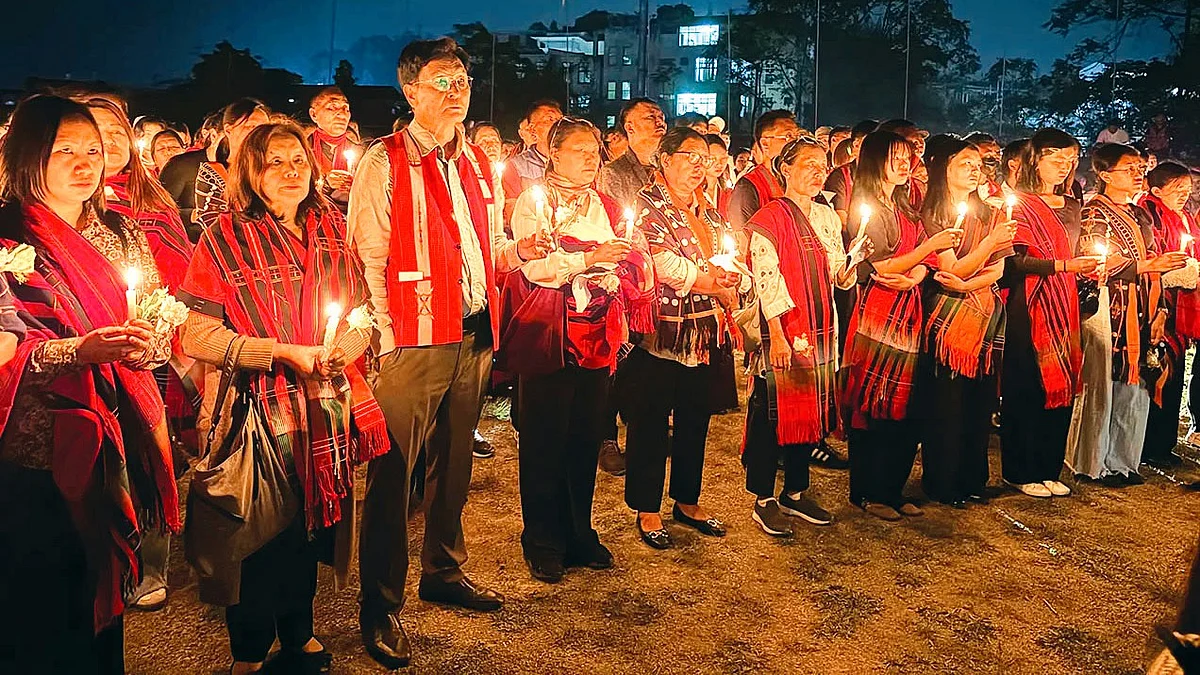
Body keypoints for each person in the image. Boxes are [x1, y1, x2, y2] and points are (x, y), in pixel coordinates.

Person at [346, 37, 550, 670]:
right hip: (412, 336)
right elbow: (368, 257)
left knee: (454, 461)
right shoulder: (385, 163)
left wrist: (523, 251)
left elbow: (484, 245)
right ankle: (380, 604)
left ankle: (443, 568)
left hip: (473, 330)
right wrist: (385, 337)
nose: (457, 89)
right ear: (410, 91)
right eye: (442, 80)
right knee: (392, 471)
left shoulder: (474, 164)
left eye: (462, 78)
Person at [178, 121, 386, 675]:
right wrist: (279, 352)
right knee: (255, 533)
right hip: (256, 411)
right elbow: (196, 336)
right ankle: (248, 648)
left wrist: (346, 344)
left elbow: (361, 313)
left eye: (299, 161)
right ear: (252, 172)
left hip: (324, 410)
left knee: (310, 526)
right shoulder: (223, 237)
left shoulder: (333, 228)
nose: (292, 173)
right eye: (276, 163)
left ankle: (299, 632)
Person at [0, 94, 177, 674]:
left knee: (102, 591)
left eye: (94, 150)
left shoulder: (123, 234)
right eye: (65, 150)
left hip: (113, 440)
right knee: (40, 601)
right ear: (29, 156)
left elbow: (154, 314)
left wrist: (151, 344)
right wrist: (80, 350)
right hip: (34, 449)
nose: (86, 163)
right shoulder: (8, 239)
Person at [501, 118, 656, 582]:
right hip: (551, 331)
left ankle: (579, 531)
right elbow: (535, 268)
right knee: (544, 437)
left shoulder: (602, 203)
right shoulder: (534, 202)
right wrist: (588, 259)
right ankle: (542, 538)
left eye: (594, 151)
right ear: (554, 154)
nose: (591, 158)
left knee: (585, 435)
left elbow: (623, 256)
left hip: (595, 334)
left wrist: (619, 268)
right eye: (579, 150)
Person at [79, 92, 196, 612]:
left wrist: (157, 328)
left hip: (143, 361)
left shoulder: (145, 207)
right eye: (87, 136)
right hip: (78, 369)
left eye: (113, 133)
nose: (105, 145)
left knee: (151, 455)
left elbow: (158, 280)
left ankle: (151, 562)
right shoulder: (41, 217)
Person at [619, 126, 744, 550]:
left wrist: (730, 274)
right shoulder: (647, 205)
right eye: (689, 156)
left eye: (704, 158)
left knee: (696, 418)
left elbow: (725, 254)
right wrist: (712, 281)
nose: (698, 165)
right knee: (651, 420)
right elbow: (659, 261)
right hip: (662, 331)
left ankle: (687, 500)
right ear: (665, 160)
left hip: (705, 331)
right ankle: (646, 506)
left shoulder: (709, 211)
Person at [742, 138, 867, 536]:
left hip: (821, 328)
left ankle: (796, 491)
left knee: (809, 411)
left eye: (823, 164)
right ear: (786, 168)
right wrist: (776, 336)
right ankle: (763, 498)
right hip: (787, 330)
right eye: (807, 164)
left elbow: (837, 276)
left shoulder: (827, 216)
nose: (817, 171)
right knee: (772, 412)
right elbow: (767, 279)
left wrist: (853, 262)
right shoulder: (770, 218)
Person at [841, 130, 959, 522]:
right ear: (876, 161)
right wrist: (923, 254)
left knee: (908, 403)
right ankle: (867, 491)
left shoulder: (908, 207)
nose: (905, 164)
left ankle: (893, 487)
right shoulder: (867, 207)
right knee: (875, 401)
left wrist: (919, 270)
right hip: (879, 315)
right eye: (896, 156)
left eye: (908, 156)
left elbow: (920, 259)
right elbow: (876, 267)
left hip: (909, 310)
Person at [1067, 143, 1187, 485]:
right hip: (1109, 308)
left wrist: (1160, 303)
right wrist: (1149, 265)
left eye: (1140, 168)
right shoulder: (1094, 212)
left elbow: (1153, 258)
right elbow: (1093, 261)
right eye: (1128, 169)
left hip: (1143, 306)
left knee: (1135, 384)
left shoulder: (1139, 215)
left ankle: (1122, 461)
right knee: (1102, 384)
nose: (1138, 174)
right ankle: (1091, 462)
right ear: (1105, 175)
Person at [918, 135, 1015, 508]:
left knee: (979, 401)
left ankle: (973, 478)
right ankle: (942, 481)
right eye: (965, 164)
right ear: (944, 167)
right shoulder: (934, 213)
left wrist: (970, 282)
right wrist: (987, 246)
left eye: (978, 165)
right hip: (949, 318)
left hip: (984, 314)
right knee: (947, 403)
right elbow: (950, 268)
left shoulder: (990, 213)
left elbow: (1000, 268)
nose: (975, 171)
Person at [998, 129, 1096, 497]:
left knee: (1063, 382)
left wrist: (1089, 267)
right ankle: (1019, 470)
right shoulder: (1016, 204)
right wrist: (1063, 266)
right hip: (1028, 303)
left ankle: (1048, 466)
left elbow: (1077, 250)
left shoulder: (1072, 205)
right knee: (1027, 384)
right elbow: (1013, 262)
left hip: (1065, 301)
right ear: (1034, 160)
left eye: (1069, 160)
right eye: (1055, 158)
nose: (1063, 166)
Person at [595, 97, 666, 473]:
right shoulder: (615, 172)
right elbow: (623, 224)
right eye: (647, 117)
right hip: (629, 276)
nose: (658, 121)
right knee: (617, 359)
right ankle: (606, 437)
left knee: (644, 364)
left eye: (659, 115)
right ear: (629, 128)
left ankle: (642, 427)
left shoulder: (667, 167)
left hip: (663, 276)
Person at [1141, 162, 1199, 466]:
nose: (1184, 194)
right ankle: (1149, 445)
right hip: (1159, 303)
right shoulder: (1149, 214)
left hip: (1182, 306)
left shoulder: (1185, 217)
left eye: (1187, 189)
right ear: (1156, 190)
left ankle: (1164, 444)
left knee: (1174, 375)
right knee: (1157, 373)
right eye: (1177, 189)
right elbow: (1152, 258)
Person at [194, 98, 270, 232]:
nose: (259, 134)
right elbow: (212, 223)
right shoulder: (213, 174)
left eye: (265, 128)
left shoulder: (273, 170)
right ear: (228, 130)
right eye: (250, 127)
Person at [727, 109, 799, 235]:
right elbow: (745, 238)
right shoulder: (748, 187)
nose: (796, 143)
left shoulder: (797, 181)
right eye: (788, 136)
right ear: (765, 143)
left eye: (797, 136)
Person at [159, 110, 223, 240]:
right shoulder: (181, 165)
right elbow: (159, 210)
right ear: (214, 135)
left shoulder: (248, 169)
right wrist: (192, 215)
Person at [597, 98, 666, 207]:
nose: (660, 122)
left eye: (661, 117)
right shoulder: (614, 172)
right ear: (630, 127)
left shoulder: (672, 164)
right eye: (650, 117)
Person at [502, 100, 564, 217]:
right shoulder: (517, 167)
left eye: (561, 120)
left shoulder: (574, 162)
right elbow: (514, 214)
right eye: (550, 119)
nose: (559, 125)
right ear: (532, 129)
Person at [307, 86, 360, 212]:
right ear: (314, 114)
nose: (341, 113)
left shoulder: (362, 152)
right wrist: (325, 183)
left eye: (345, 108)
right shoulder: (302, 149)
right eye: (332, 107)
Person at [823, 120, 879, 226]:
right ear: (856, 145)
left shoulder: (883, 176)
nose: (878, 151)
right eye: (872, 145)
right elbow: (840, 219)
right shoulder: (841, 176)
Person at [702, 133, 733, 216]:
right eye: (713, 158)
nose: (719, 164)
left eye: (723, 158)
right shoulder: (691, 193)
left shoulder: (729, 194)